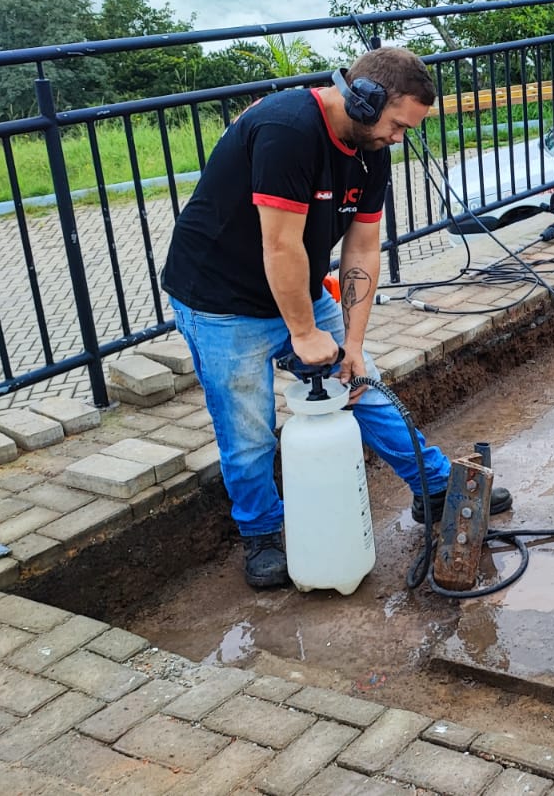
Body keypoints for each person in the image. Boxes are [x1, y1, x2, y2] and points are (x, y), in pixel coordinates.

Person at [162, 47, 501, 589]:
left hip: (294, 282)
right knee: (247, 428)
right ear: (363, 101)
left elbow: (363, 250)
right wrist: (302, 332)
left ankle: (433, 488)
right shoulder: (286, 129)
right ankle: (263, 533)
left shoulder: (372, 149)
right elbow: (281, 245)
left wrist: (354, 345)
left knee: (364, 385)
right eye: (396, 125)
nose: (399, 138)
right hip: (221, 300)